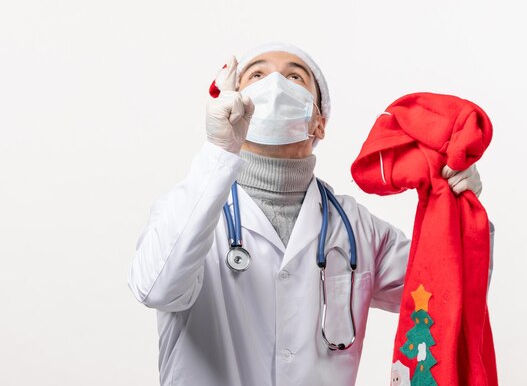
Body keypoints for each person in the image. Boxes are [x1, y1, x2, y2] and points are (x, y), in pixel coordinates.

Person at [127, 42, 495, 386]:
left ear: (318, 122)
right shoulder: (192, 205)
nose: (274, 84)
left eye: (294, 77)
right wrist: (219, 150)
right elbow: (155, 287)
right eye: (256, 75)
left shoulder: (356, 229)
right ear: (234, 103)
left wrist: (459, 207)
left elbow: (446, 289)